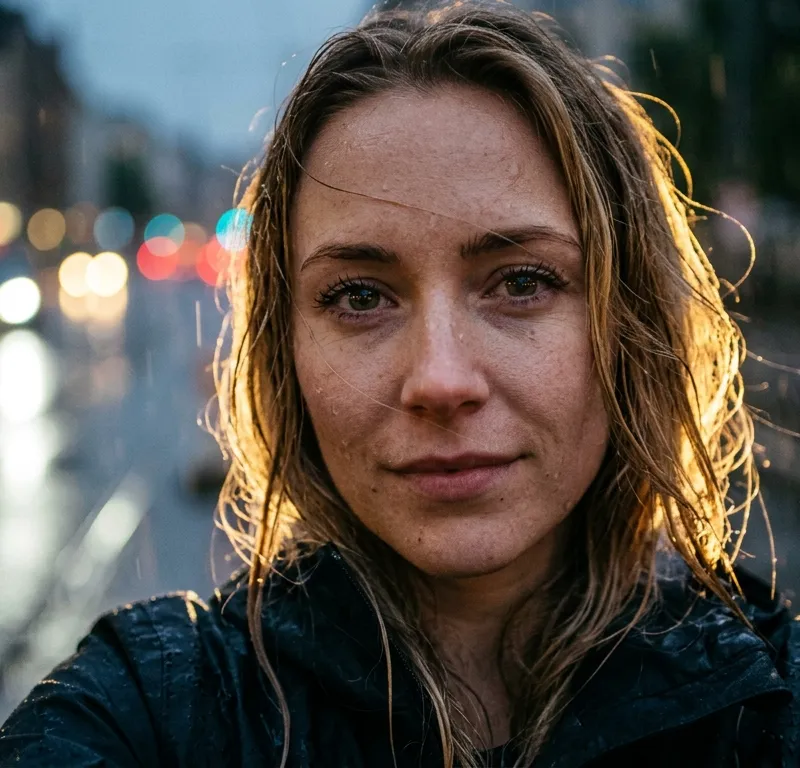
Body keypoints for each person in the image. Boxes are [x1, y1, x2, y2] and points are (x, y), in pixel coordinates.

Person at [2, 2, 799, 766]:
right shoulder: (153, 711)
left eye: (521, 282)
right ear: (288, 351)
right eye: (359, 297)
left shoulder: (769, 705)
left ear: (631, 323)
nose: (440, 380)